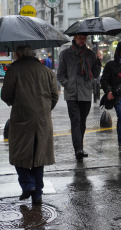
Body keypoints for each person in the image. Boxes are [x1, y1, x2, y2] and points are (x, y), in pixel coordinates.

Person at [1, 45, 59, 205]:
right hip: (43, 121)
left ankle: (28, 184)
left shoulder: (13, 70)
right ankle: (37, 194)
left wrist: (17, 103)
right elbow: (55, 95)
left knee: (18, 155)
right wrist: (45, 110)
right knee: (38, 157)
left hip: (21, 119)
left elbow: (5, 94)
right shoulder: (46, 71)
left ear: (18, 54)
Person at [57, 34, 102, 159]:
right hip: (71, 94)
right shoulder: (65, 54)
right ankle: (78, 149)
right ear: (75, 38)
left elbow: (96, 74)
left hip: (85, 93)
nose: (82, 40)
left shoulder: (91, 54)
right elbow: (60, 75)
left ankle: (79, 146)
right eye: (80, 37)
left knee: (82, 121)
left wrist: (98, 61)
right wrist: (69, 84)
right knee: (75, 120)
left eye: (84, 38)